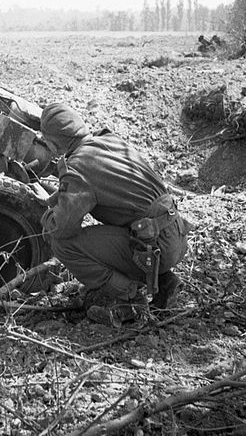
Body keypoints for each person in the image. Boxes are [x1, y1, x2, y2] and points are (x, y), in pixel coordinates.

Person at [39, 103, 191, 327]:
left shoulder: (78, 167)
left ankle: (130, 300)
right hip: (176, 234)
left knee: (62, 244)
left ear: (53, 143)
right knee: (125, 226)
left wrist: (47, 215)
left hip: (156, 245)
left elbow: (62, 228)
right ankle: (164, 281)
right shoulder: (110, 140)